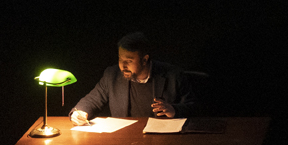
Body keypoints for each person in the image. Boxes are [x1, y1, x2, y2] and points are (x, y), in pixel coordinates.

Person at [68, 32, 196, 123]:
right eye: (120, 59)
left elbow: (194, 108)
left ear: (144, 60)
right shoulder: (112, 75)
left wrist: (174, 110)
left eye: (129, 61)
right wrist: (78, 112)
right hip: (125, 140)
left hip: (162, 142)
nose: (122, 65)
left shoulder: (173, 75)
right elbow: (92, 100)